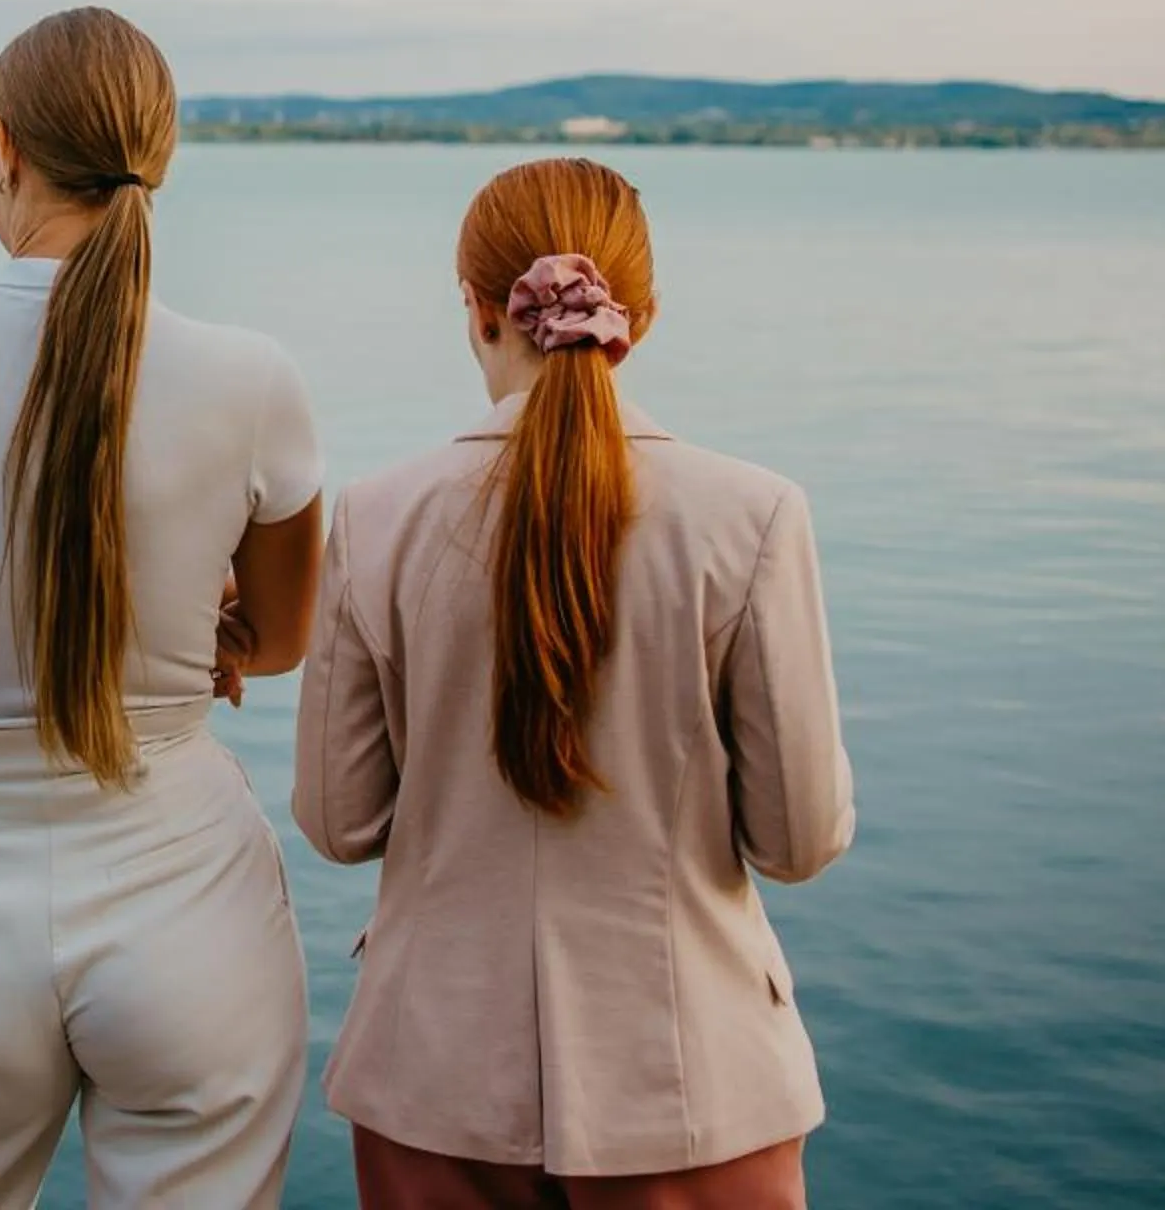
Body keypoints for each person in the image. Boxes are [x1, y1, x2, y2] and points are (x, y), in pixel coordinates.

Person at [294, 157, 854, 1210]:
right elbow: (799, 839)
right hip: (690, 1082)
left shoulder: (377, 515)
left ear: (475, 309)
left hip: (434, 1081)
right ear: (639, 315)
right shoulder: (755, 515)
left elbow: (338, 819)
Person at [0, 7, 327, 1210]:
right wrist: (198, 616)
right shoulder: (252, 376)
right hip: (185, 894)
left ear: (2, 146)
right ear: (155, 158)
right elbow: (278, 636)